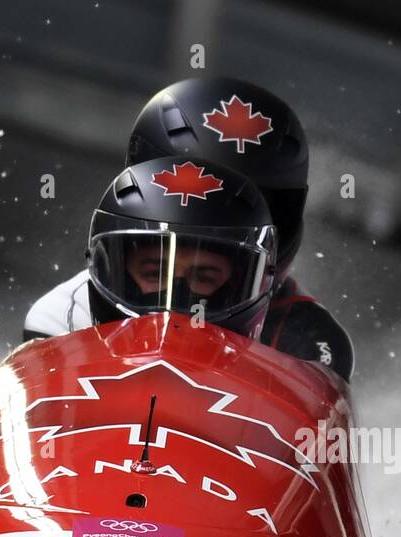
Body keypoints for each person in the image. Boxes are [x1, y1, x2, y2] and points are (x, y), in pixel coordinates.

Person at [25, 77, 354, 380]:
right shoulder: (64, 317)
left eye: (253, 205)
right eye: (155, 269)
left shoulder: (310, 343)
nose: (229, 222)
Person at [84, 156, 277, 338]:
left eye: (203, 277)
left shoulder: (291, 356)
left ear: (237, 284)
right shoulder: (59, 325)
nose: (175, 306)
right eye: (155, 273)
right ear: (111, 272)